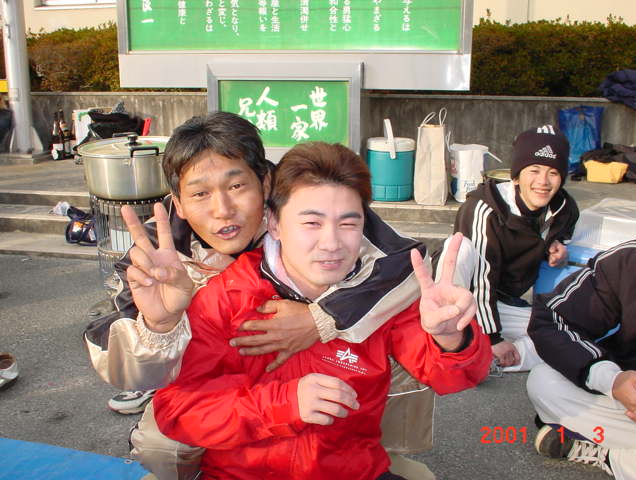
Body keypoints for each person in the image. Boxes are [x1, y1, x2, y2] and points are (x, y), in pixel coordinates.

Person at [84, 113, 436, 479]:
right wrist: (160, 325)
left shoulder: (307, 204)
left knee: (402, 341)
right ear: (180, 203)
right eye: (201, 193)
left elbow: (407, 265)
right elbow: (122, 367)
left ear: (266, 183)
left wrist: (323, 318)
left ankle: (376, 451)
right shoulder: (154, 254)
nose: (223, 210)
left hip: (324, 372)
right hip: (215, 379)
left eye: (237, 186)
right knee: (161, 445)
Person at [139, 141, 492, 480]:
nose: (332, 243)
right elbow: (178, 411)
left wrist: (451, 337)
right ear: (274, 223)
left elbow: (454, 377)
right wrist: (284, 403)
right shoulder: (226, 297)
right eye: (311, 223)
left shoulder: (382, 296)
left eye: (348, 224)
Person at [434, 125, 579, 372]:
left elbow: (563, 231)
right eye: (534, 170)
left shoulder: (563, 208)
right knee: (460, 248)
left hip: (502, 302)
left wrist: (557, 245)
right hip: (462, 296)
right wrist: (493, 337)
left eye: (553, 172)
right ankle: (450, 337)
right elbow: (482, 278)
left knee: (567, 335)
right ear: (516, 176)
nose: (543, 182)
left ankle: (490, 361)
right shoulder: (486, 208)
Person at [526, 238, 636, 479]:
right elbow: (552, 318)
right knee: (544, 381)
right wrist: (612, 381)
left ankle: (611, 456)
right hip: (629, 405)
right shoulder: (631, 260)